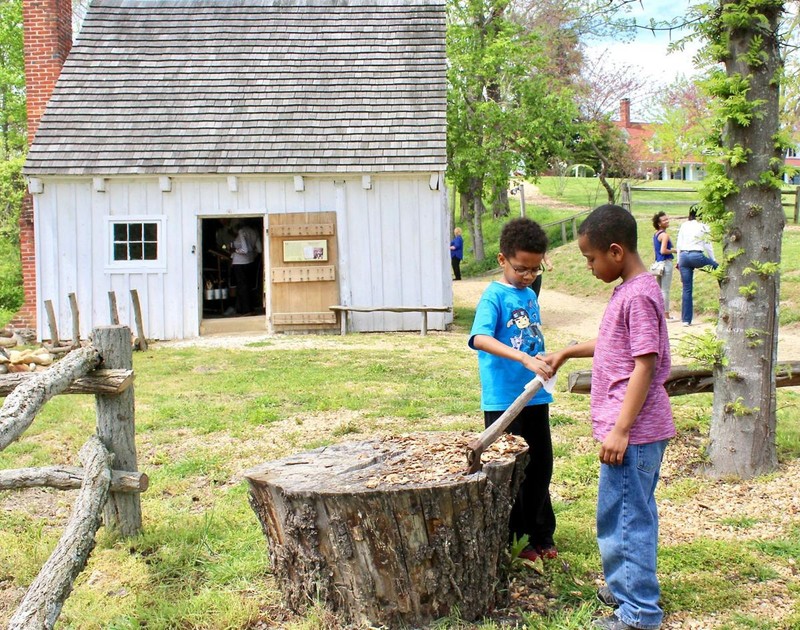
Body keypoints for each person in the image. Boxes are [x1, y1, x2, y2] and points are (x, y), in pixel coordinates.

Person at [544, 205, 674, 630]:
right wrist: (566, 351)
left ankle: (638, 613)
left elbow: (645, 364)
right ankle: (625, 586)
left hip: (632, 434)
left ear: (615, 251)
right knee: (627, 513)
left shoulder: (637, 295)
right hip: (637, 432)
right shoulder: (632, 290)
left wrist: (620, 429)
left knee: (624, 518)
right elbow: (612, 340)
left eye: (591, 258)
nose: (588, 266)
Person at [468, 217, 557, 563]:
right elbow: (479, 337)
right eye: (521, 269)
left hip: (536, 393)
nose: (529, 276)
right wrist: (523, 358)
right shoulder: (493, 296)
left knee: (540, 466)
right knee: (512, 471)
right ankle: (516, 539)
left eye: (535, 270)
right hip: (505, 399)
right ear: (502, 260)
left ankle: (541, 533)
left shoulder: (529, 290)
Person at [676, 205, 718, 326]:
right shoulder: (704, 226)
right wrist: (713, 261)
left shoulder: (684, 225)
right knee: (720, 271)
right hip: (696, 256)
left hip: (684, 256)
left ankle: (686, 320)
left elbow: (679, 244)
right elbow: (708, 245)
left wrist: (679, 261)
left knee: (687, 289)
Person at [230, 222, 263, 316]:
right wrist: (252, 255)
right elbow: (259, 249)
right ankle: (247, 308)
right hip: (250, 262)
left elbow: (244, 249)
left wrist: (234, 250)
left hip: (239, 263)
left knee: (241, 286)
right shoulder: (255, 233)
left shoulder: (241, 232)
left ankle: (246, 310)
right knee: (248, 285)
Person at [651, 212, 676, 320]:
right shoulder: (665, 235)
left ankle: (658, 313)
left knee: (659, 289)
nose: (667, 221)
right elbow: (663, 250)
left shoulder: (656, 234)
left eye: (667, 219)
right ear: (659, 223)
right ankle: (666, 314)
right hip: (666, 263)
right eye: (664, 220)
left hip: (659, 264)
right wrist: (674, 250)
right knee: (665, 290)